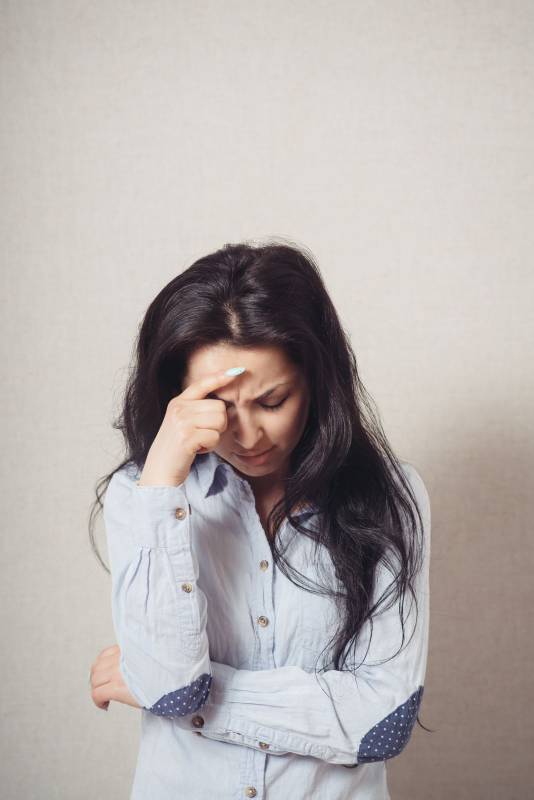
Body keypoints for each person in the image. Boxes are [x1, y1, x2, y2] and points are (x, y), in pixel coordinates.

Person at [89, 240, 432, 800]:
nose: (247, 436)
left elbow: (382, 720)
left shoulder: (389, 494)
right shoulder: (142, 494)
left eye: (272, 402)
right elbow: (171, 687)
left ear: (317, 381)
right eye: (219, 407)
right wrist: (162, 485)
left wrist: (193, 691)